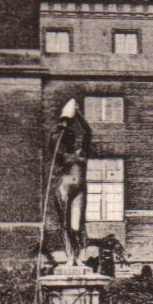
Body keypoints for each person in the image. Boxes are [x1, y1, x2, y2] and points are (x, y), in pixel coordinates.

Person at [49, 98, 93, 266]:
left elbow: (88, 132)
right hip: (63, 186)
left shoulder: (83, 151)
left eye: (72, 138)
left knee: (76, 226)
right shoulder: (62, 156)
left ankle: (78, 256)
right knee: (66, 224)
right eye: (68, 138)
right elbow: (52, 143)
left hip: (80, 189)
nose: (71, 140)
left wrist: (79, 115)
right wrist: (61, 124)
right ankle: (69, 258)